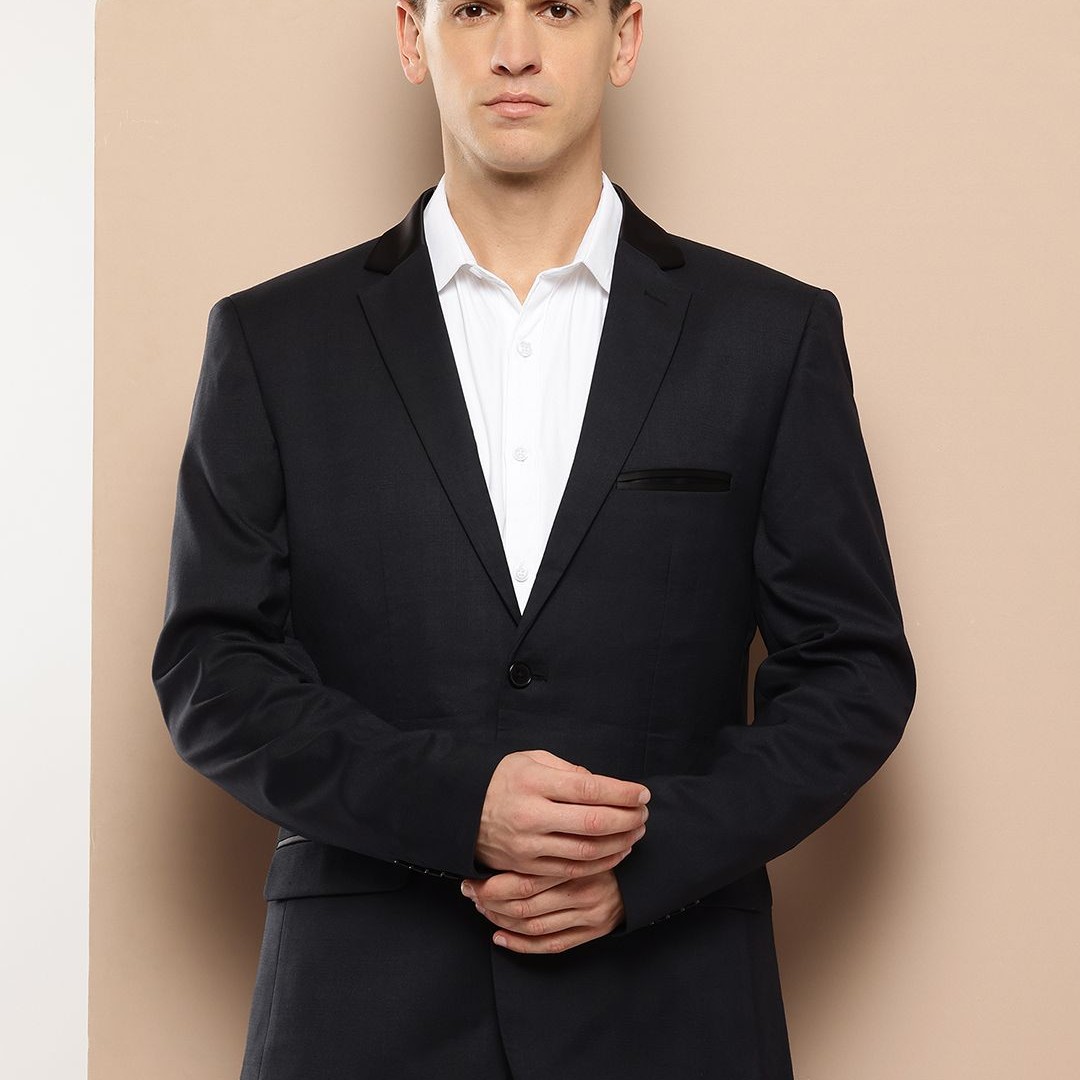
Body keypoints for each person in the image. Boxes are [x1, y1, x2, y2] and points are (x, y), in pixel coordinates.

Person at [151, 1, 916, 1077]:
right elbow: (212, 671)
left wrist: (649, 855)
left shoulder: (768, 335)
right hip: (361, 1016)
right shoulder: (274, 341)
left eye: (557, 8)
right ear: (412, 37)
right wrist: (455, 804)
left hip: (674, 1012)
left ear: (624, 37)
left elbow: (853, 670)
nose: (515, 51)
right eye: (474, 10)